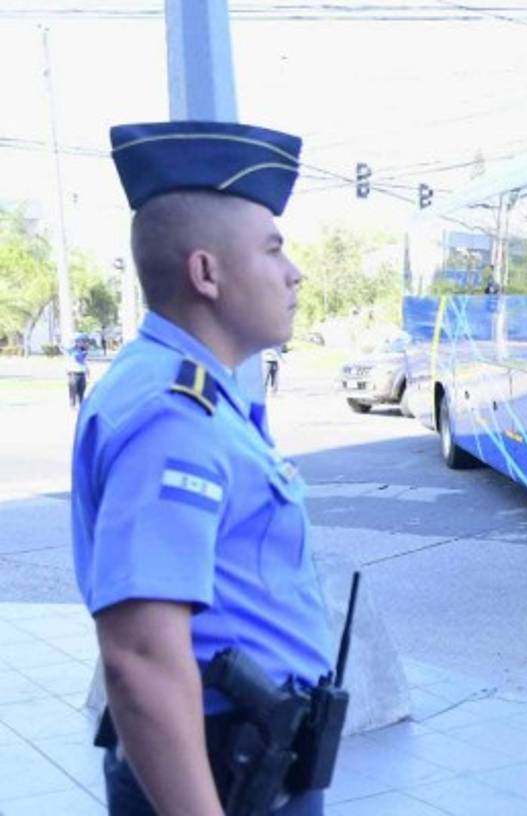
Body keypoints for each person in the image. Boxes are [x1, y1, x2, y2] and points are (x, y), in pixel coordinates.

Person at [71, 121, 338, 816]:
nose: (293, 271)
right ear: (206, 273)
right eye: (274, 249)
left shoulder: (196, 392)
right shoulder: (172, 414)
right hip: (224, 771)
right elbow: (140, 655)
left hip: (249, 756)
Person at [66, 333, 90, 409]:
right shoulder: (73, 351)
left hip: (81, 373)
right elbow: (78, 358)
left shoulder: (83, 351)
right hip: (73, 373)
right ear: (76, 342)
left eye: (84, 341)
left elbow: (84, 362)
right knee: (73, 390)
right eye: (82, 341)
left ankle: (81, 405)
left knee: (81, 391)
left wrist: (87, 369)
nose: (84, 343)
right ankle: (72, 406)